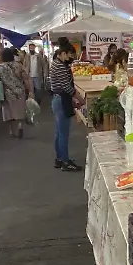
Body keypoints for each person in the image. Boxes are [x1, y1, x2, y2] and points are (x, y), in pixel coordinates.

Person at [50, 38, 82, 171]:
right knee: (63, 133)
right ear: (63, 53)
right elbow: (67, 87)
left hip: (58, 99)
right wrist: (80, 99)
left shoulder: (57, 64)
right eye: (70, 55)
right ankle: (65, 161)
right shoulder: (60, 66)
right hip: (61, 100)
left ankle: (59, 158)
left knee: (59, 132)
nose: (71, 58)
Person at [0, 47, 31, 139]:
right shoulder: (18, 65)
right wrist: (30, 90)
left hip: (6, 92)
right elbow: (26, 78)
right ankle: (20, 126)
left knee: (8, 112)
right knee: (20, 110)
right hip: (19, 91)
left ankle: (11, 130)